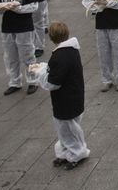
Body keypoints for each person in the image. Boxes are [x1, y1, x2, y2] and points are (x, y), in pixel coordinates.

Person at [30, 21, 90, 170]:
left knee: (67, 129)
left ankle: (77, 153)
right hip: (75, 96)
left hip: (64, 100)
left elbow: (53, 82)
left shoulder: (59, 56)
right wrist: (45, 67)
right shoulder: (72, 51)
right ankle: (66, 152)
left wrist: (39, 72)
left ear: (51, 37)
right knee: (69, 128)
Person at [0, 0, 40, 95]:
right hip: (7, 27)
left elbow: (34, 6)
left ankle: (32, 81)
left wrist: (18, 9)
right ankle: (15, 81)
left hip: (24, 26)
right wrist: (1, 9)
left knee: (28, 55)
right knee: (10, 56)